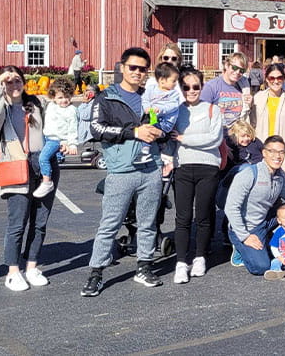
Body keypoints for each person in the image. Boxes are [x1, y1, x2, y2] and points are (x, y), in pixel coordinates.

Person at [80, 47, 165, 297]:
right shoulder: (107, 98)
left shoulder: (151, 96)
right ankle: (96, 273)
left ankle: (144, 266)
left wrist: (161, 132)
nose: (137, 72)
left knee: (148, 223)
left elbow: (162, 126)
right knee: (110, 224)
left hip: (151, 168)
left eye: (142, 69)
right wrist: (133, 132)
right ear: (122, 68)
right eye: (133, 68)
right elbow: (97, 129)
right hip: (121, 170)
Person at [0, 66, 51, 292]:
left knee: (40, 222)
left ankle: (32, 266)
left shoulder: (36, 103)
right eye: (8, 82)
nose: (14, 85)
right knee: (17, 223)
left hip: (42, 165)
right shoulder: (1, 108)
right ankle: (13, 271)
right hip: (15, 165)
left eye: (17, 81)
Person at [170, 68, 223, 284]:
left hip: (208, 167)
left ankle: (200, 257)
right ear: (180, 88)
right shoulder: (175, 110)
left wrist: (183, 138)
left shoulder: (213, 110)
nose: (191, 91)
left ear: (202, 87)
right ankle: (181, 263)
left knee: (202, 216)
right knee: (182, 218)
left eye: (196, 87)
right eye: (186, 87)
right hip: (182, 166)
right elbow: (168, 136)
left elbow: (215, 139)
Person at [224, 136, 285, 275]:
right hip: (246, 228)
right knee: (261, 267)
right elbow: (231, 207)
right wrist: (245, 236)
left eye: (281, 152)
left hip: (265, 221)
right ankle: (239, 248)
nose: (278, 156)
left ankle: (276, 242)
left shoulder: (280, 176)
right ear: (264, 153)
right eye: (273, 151)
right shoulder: (249, 174)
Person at [249, 63, 285, 171]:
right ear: (266, 79)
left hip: (280, 151)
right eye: (272, 78)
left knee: (279, 182)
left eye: (279, 78)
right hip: (261, 149)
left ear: (284, 79)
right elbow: (252, 124)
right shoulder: (258, 97)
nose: (275, 81)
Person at [34, 77, 78, 199]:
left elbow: (73, 128)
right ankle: (44, 174)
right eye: (60, 97)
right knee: (41, 157)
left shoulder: (71, 110)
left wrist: (72, 144)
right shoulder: (51, 106)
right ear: (53, 97)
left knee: (43, 158)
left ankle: (47, 182)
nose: (64, 100)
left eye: (67, 97)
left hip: (57, 139)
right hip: (46, 136)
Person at [142, 62, 181, 171]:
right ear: (162, 80)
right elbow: (144, 100)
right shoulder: (151, 89)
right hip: (153, 116)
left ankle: (166, 157)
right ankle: (145, 150)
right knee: (146, 126)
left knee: (155, 129)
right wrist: (147, 108)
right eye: (173, 81)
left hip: (165, 122)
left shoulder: (173, 94)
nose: (175, 83)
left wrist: (160, 110)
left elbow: (172, 106)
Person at [200, 52, 252, 130]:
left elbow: (246, 111)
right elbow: (201, 113)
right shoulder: (211, 86)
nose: (237, 72)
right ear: (227, 65)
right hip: (218, 132)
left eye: (241, 70)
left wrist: (251, 102)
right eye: (234, 68)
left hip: (238, 132)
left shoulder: (244, 87)